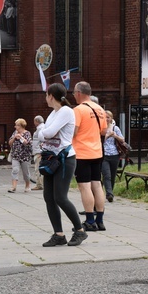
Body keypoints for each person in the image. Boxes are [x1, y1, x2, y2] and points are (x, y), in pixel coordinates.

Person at [40, 83, 86, 247]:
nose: (45, 98)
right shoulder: (53, 113)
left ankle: (80, 230)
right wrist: (43, 132)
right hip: (51, 158)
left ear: (51, 95)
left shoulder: (66, 111)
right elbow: (44, 133)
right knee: (49, 197)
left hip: (65, 159)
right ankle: (59, 234)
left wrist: (43, 131)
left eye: (46, 94)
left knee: (60, 197)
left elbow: (47, 133)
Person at [72, 81, 107, 232]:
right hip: (97, 152)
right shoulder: (100, 109)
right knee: (97, 185)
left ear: (79, 93)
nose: (73, 95)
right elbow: (104, 132)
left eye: (74, 92)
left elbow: (73, 131)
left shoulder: (78, 110)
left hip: (82, 153)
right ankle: (100, 220)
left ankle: (90, 221)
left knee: (84, 186)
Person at [101, 110, 125, 203]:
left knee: (112, 175)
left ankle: (110, 192)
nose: (106, 119)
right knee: (106, 175)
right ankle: (109, 194)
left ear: (111, 118)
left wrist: (115, 136)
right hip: (104, 155)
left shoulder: (115, 128)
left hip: (114, 154)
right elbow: (99, 141)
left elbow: (122, 140)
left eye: (108, 117)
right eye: (105, 117)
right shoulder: (101, 129)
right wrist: (107, 136)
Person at [7, 118, 32, 193]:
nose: (15, 127)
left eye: (17, 125)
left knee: (26, 173)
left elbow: (27, 143)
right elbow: (10, 143)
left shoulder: (27, 133)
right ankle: (13, 187)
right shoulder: (15, 133)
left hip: (25, 156)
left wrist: (21, 137)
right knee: (15, 170)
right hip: (15, 155)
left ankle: (27, 186)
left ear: (21, 126)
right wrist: (14, 137)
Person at [32, 115, 45, 190]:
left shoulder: (40, 128)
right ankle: (40, 184)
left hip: (39, 151)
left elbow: (42, 139)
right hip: (39, 150)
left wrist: (41, 151)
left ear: (37, 121)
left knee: (38, 168)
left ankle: (39, 184)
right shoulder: (43, 127)